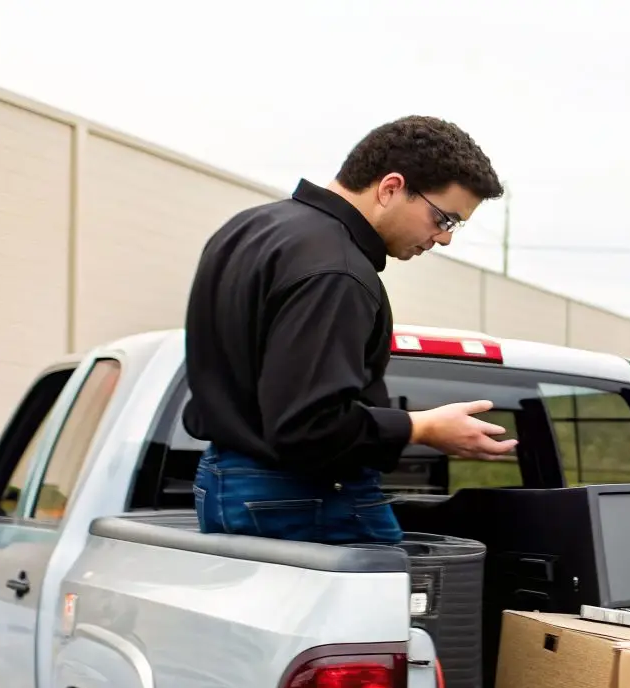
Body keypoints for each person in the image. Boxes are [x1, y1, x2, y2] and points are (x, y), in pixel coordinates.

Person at [183, 115, 516, 545]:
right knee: (398, 610)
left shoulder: (246, 229)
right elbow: (309, 426)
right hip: (302, 496)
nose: (444, 239)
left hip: (223, 483)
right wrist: (421, 428)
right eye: (444, 219)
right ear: (391, 187)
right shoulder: (339, 271)